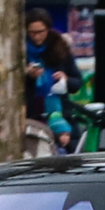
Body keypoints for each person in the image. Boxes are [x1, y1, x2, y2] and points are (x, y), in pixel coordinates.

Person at [24, 9, 82, 152]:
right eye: (32, 32)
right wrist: (28, 76)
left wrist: (65, 79)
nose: (36, 37)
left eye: (41, 32)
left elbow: (77, 83)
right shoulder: (20, 50)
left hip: (59, 112)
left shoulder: (59, 48)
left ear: (48, 30)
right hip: (31, 114)